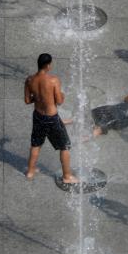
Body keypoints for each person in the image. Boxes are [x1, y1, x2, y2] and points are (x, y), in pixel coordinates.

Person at [23, 53, 76, 184]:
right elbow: (59, 101)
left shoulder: (30, 80)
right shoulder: (53, 80)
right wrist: (62, 95)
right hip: (51, 118)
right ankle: (67, 176)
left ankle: (30, 171)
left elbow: (27, 100)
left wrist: (39, 97)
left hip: (38, 116)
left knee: (36, 144)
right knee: (65, 146)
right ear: (48, 65)